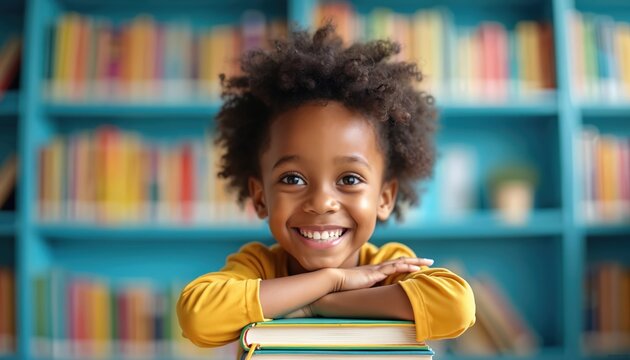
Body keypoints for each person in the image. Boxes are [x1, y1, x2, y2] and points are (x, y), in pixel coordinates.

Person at [177, 23, 475, 349]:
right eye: (293, 179)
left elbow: (455, 307)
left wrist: (321, 303)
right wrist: (332, 280)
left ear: (384, 197)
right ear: (260, 197)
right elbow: (198, 316)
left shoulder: (388, 266)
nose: (321, 202)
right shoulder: (258, 266)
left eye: (349, 179)